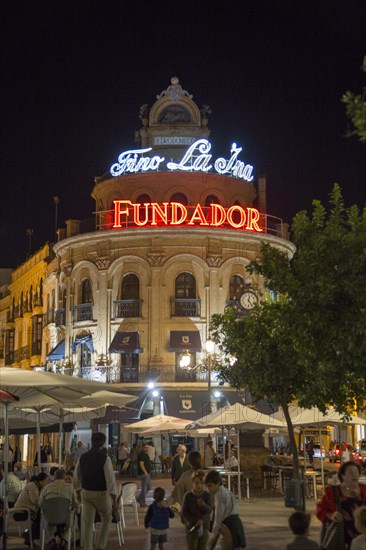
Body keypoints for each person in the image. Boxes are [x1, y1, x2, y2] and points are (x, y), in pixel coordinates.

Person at [73, 431, 117, 550]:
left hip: (85, 492)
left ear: (91, 442)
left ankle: (88, 547)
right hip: (100, 493)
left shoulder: (83, 457)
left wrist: (77, 491)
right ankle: (100, 546)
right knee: (107, 518)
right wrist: (113, 495)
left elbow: (76, 475)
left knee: (87, 523)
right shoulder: (104, 458)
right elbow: (110, 478)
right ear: (102, 444)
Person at [317, 461, 366, 549]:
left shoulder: (364, 489)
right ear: (343, 475)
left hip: (362, 533)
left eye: (356, 472)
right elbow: (321, 510)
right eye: (351, 473)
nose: (355, 475)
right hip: (341, 534)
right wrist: (331, 516)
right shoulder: (332, 492)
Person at [205, 469, 246, 550]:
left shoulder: (219, 495)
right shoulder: (227, 491)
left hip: (228, 528)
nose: (209, 489)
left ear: (217, 484)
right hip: (237, 525)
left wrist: (212, 537)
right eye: (207, 486)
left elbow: (218, 518)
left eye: (210, 486)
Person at [39, 468, 77, 547]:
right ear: (64, 477)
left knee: (44, 517)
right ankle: (65, 539)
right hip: (66, 517)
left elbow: (40, 504)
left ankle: (51, 539)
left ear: (54, 477)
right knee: (73, 518)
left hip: (50, 517)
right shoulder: (71, 488)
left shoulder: (46, 488)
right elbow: (74, 504)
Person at [14, 472, 49, 545]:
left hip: (26, 511)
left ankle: (30, 535)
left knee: (41, 514)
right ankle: (31, 536)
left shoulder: (36, 486)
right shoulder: (32, 486)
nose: (47, 483)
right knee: (40, 516)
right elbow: (35, 500)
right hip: (21, 512)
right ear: (40, 481)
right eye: (46, 481)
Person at [181, 470, 212, 550]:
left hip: (204, 528)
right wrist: (193, 520)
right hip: (192, 528)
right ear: (193, 483)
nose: (199, 485)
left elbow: (209, 510)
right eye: (197, 483)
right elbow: (184, 512)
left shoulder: (207, 495)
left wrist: (203, 505)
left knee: (202, 547)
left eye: (201, 483)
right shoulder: (188, 496)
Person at [137, 442, 152, 507]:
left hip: (146, 473)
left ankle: (139, 498)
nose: (147, 449)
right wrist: (145, 472)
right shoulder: (142, 454)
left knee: (148, 487)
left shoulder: (145, 454)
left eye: (148, 447)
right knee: (144, 488)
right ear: (143, 447)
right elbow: (141, 464)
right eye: (145, 447)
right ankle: (142, 502)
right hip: (144, 474)